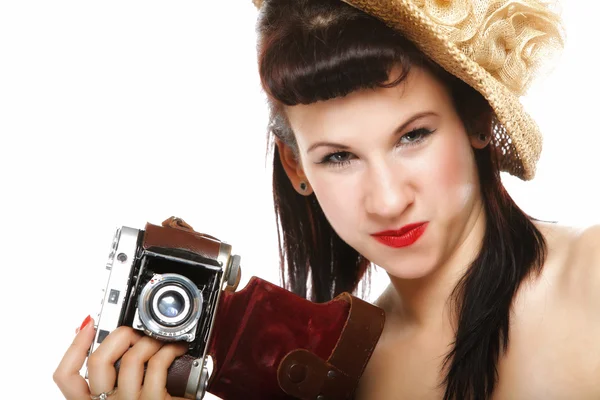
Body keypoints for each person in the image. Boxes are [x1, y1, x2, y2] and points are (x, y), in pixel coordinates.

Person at [54, 0, 599, 399]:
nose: (387, 201)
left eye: (414, 136)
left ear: (477, 120)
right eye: (338, 157)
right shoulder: (334, 374)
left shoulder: (590, 280)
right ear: (297, 168)